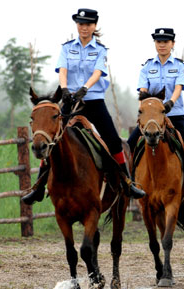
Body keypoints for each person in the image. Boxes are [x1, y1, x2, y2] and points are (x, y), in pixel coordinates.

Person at [22, 8, 145, 205]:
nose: (84, 27)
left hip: (94, 101)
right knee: (52, 138)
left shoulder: (100, 50)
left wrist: (84, 89)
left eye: (88, 24)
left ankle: (127, 182)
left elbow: (97, 73)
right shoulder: (67, 47)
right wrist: (65, 90)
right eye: (80, 24)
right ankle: (38, 187)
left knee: (113, 140)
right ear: (77, 26)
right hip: (70, 102)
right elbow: (62, 70)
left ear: (94, 26)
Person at [127, 28, 184, 196]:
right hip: (151, 118)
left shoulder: (179, 66)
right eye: (159, 42)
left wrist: (170, 102)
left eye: (166, 42)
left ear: (172, 44)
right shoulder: (147, 67)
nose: (162, 45)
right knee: (130, 144)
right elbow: (143, 91)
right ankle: (128, 180)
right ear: (155, 44)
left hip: (175, 113)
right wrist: (143, 110)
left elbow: (179, 87)